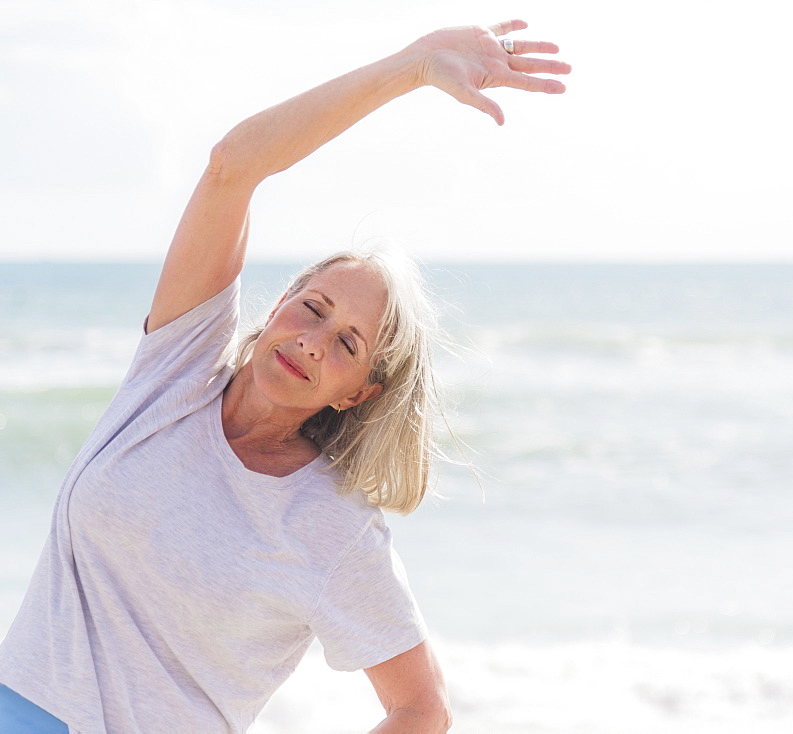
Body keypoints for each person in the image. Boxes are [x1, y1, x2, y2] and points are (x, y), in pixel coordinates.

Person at [0, 19, 570, 733]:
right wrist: (411, 66)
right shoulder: (174, 373)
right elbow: (232, 164)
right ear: (276, 307)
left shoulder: (331, 528)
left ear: (360, 392)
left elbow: (421, 709)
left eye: (347, 343)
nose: (311, 342)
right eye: (313, 308)